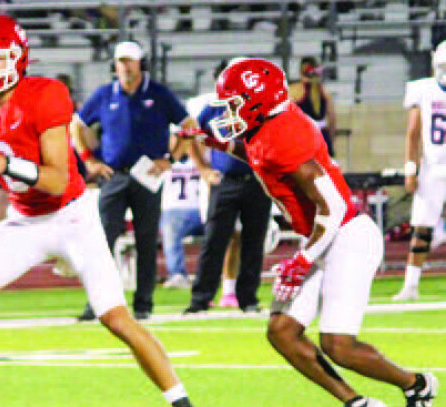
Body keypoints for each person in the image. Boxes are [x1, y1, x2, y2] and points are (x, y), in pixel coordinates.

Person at [0, 15, 195, 407]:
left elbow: (58, 179)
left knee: (115, 318)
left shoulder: (45, 94)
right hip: (23, 222)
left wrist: (4, 164)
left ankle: (181, 402)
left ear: (18, 58)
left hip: (72, 217)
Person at [182, 57, 439, 407]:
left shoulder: (286, 134)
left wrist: (301, 261)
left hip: (347, 236)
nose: (231, 111)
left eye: (236, 103)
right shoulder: (268, 123)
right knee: (282, 332)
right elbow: (260, 156)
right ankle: (357, 402)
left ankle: (417, 384)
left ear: (258, 99)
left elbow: (332, 208)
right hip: (323, 236)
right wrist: (218, 143)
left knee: (338, 345)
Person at [71, 40, 202, 320]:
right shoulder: (106, 94)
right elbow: (76, 124)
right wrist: (89, 159)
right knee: (104, 241)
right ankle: (98, 302)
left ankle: (143, 304)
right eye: (121, 61)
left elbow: (189, 126)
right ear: (114, 65)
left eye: (130, 61)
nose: (125, 66)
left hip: (147, 177)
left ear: (142, 64)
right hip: (114, 175)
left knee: (145, 241)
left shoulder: (159, 94)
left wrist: (172, 158)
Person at [183, 62, 272, 314]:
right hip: (225, 181)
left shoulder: (261, 109)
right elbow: (193, 135)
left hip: (256, 181)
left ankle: (248, 299)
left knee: (254, 242)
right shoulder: (214, 108)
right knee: (214, 241)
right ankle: (200, 299)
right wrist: (203, 169)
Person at [393, 39, 446, 301]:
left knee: (423, 229)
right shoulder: (423, 90)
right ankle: (411, 285)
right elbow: (413, 134)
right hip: (433, 166)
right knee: (421, 228)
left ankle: (411, 285)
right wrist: (410, 169)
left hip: (436, 167)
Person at [161, 135, 203, 289]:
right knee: (170, 227)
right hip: (174, 211)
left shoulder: (201, 159)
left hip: (202, 209)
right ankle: (178, 274)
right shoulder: (163, 161)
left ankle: (218, 274)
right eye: (177, 138)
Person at [289, 56, 336, 157]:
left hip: (303, 139)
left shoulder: (294, 90)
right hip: (322, 137)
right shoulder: (324, 91)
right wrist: (330, 143)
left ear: (301, 72)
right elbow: (332, 119)